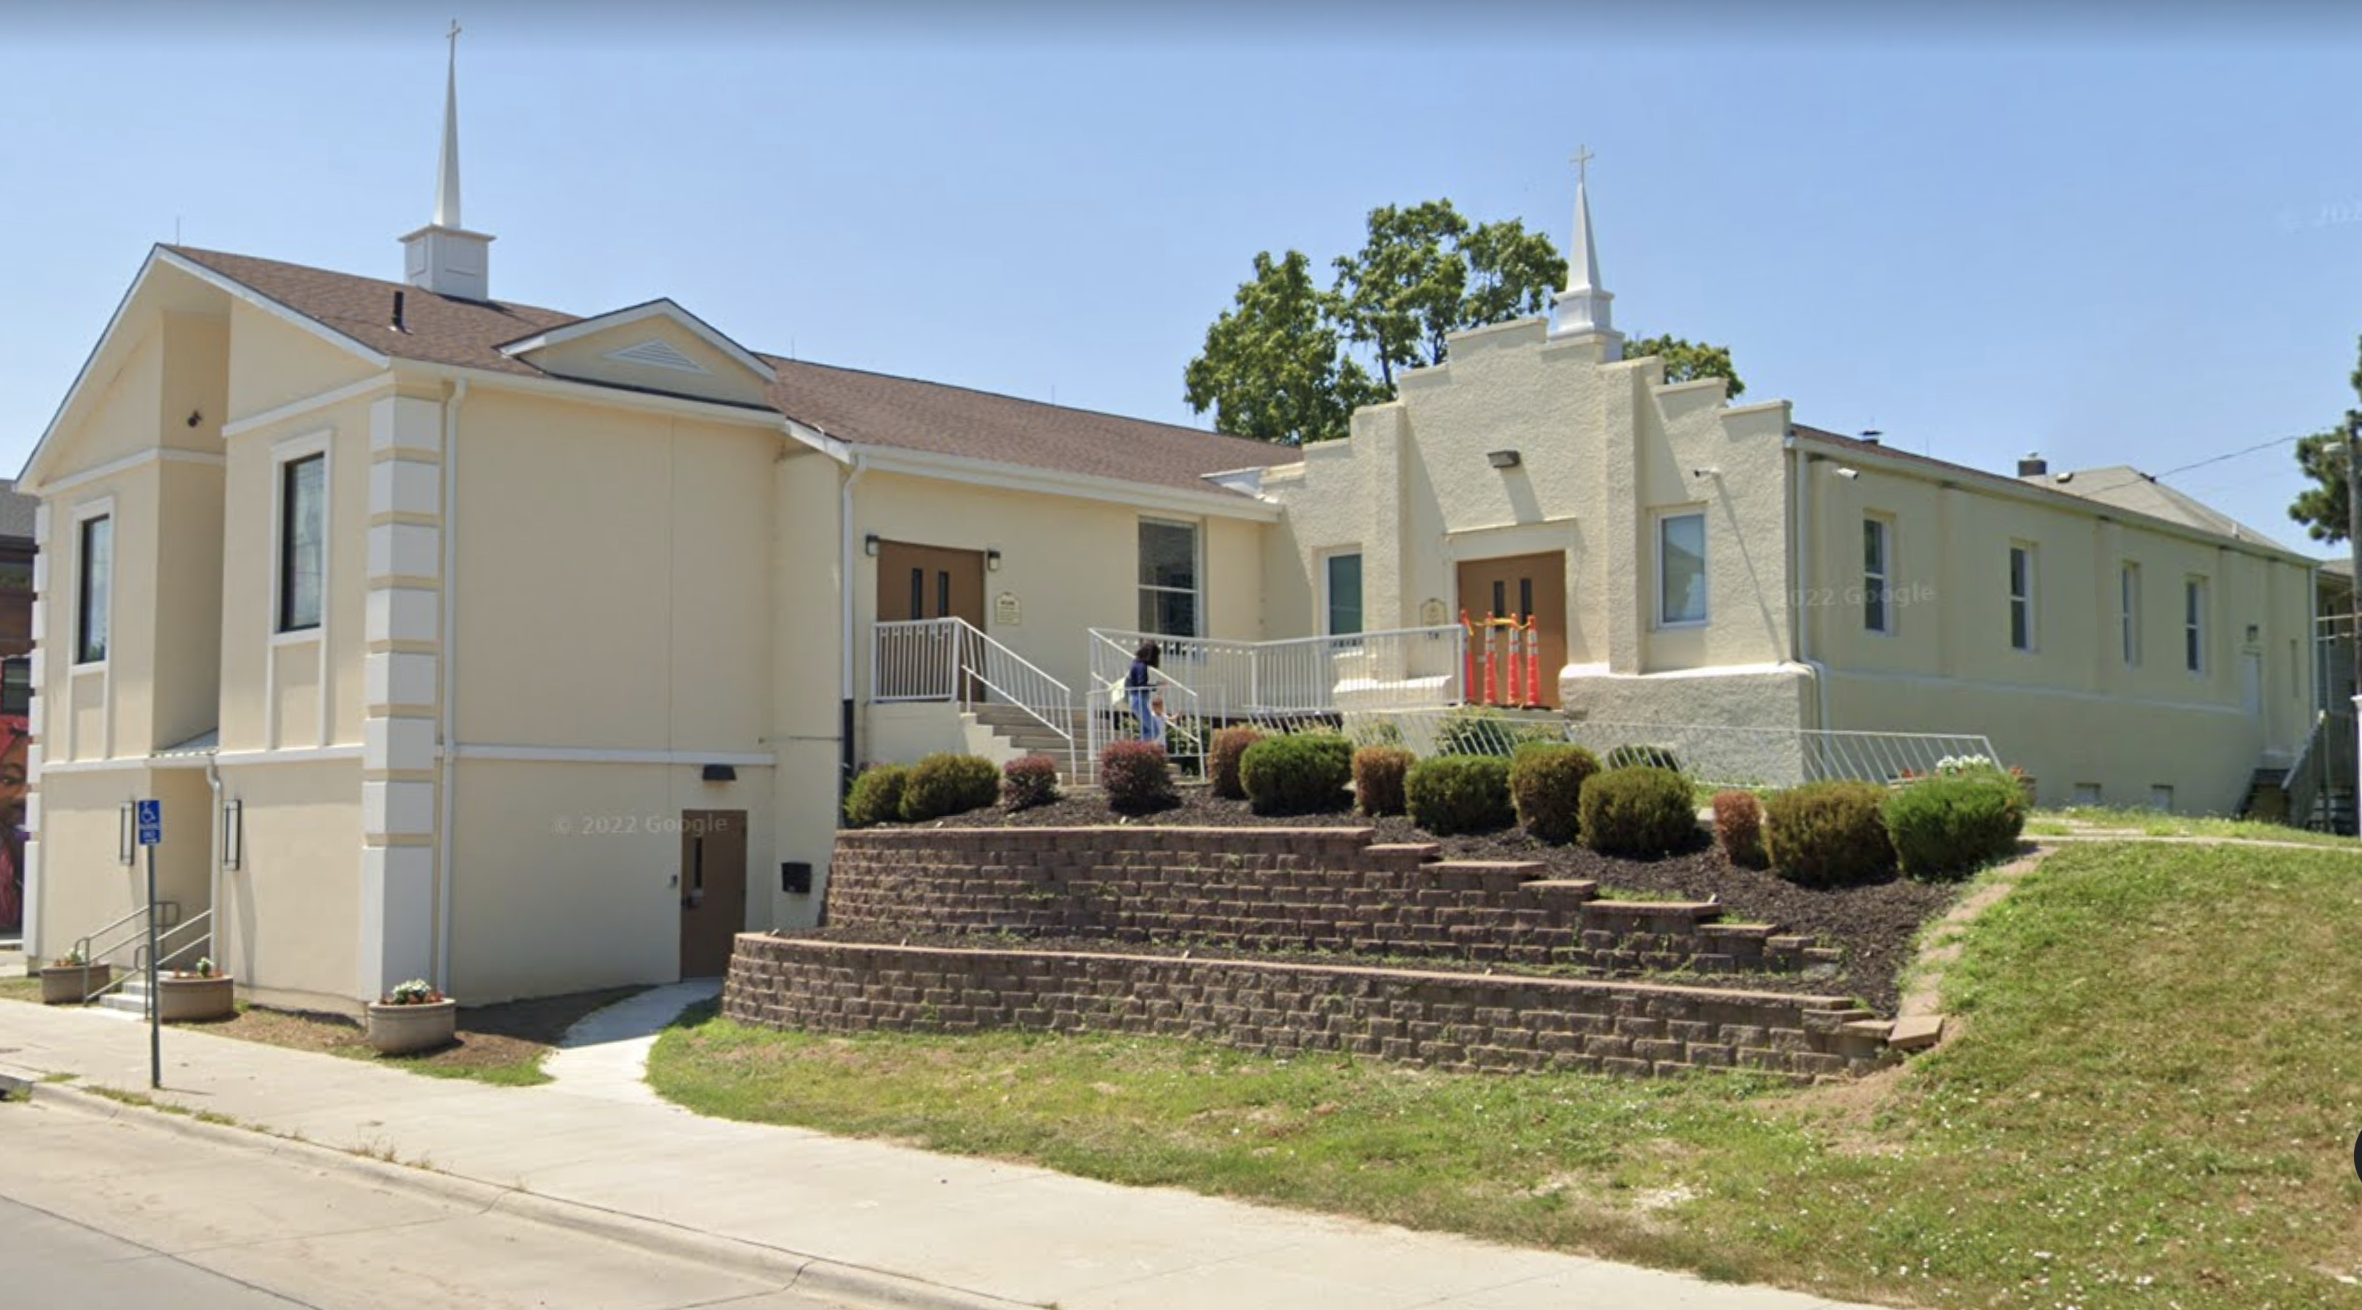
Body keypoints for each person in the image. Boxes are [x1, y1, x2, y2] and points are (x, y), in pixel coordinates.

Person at [1126, 641, 1164, 746]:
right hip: (1139, 701)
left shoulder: (1135, 663)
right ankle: (1134, 748)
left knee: (1146, 731)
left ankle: (1139, 752)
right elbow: (1141, 685)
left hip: (1136, 701)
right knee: (1154, 731)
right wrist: (1156, 686)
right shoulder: (1141, 666)